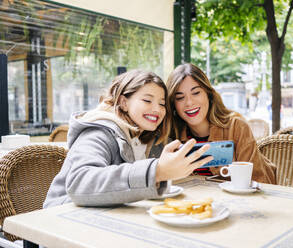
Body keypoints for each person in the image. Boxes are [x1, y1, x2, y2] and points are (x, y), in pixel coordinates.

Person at [44, 69, 212, 208]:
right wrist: (157, 171)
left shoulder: (144, 138)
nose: (157, 109)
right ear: (124, 102)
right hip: (63, 223)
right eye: (147, 100)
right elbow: (80, 182)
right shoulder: (99, 132)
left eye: (162, 104)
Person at [166, 63, 276, 184]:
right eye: (180, 98)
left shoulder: (236, 127)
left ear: (208, 94)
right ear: (173, 105)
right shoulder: (171, 138)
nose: (189, 102)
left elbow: (256, 180)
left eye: (196, 93)